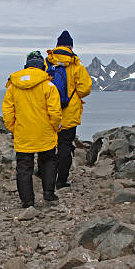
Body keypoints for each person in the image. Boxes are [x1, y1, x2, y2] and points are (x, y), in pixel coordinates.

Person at [2, 51, 62, 208]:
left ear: (25, 66)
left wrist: (15, 129)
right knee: (49, 160)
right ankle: (48, 193)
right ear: (43, 67)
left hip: (23, 133)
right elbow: (55, 113)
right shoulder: (48, 86)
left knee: (24, 167)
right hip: (45, 132)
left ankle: (27, 201)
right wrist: (55, 128)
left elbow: (8, 113)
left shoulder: (12, 87)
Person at [45, 30, 92, 189]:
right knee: (65, 145)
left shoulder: (47, 62)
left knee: (48, 145)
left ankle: (45, 174)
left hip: (48, 112)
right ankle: (61, 180)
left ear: (57, 45)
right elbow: (85, 88)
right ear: (71, 46)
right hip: (69, 112)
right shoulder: (76, 63)